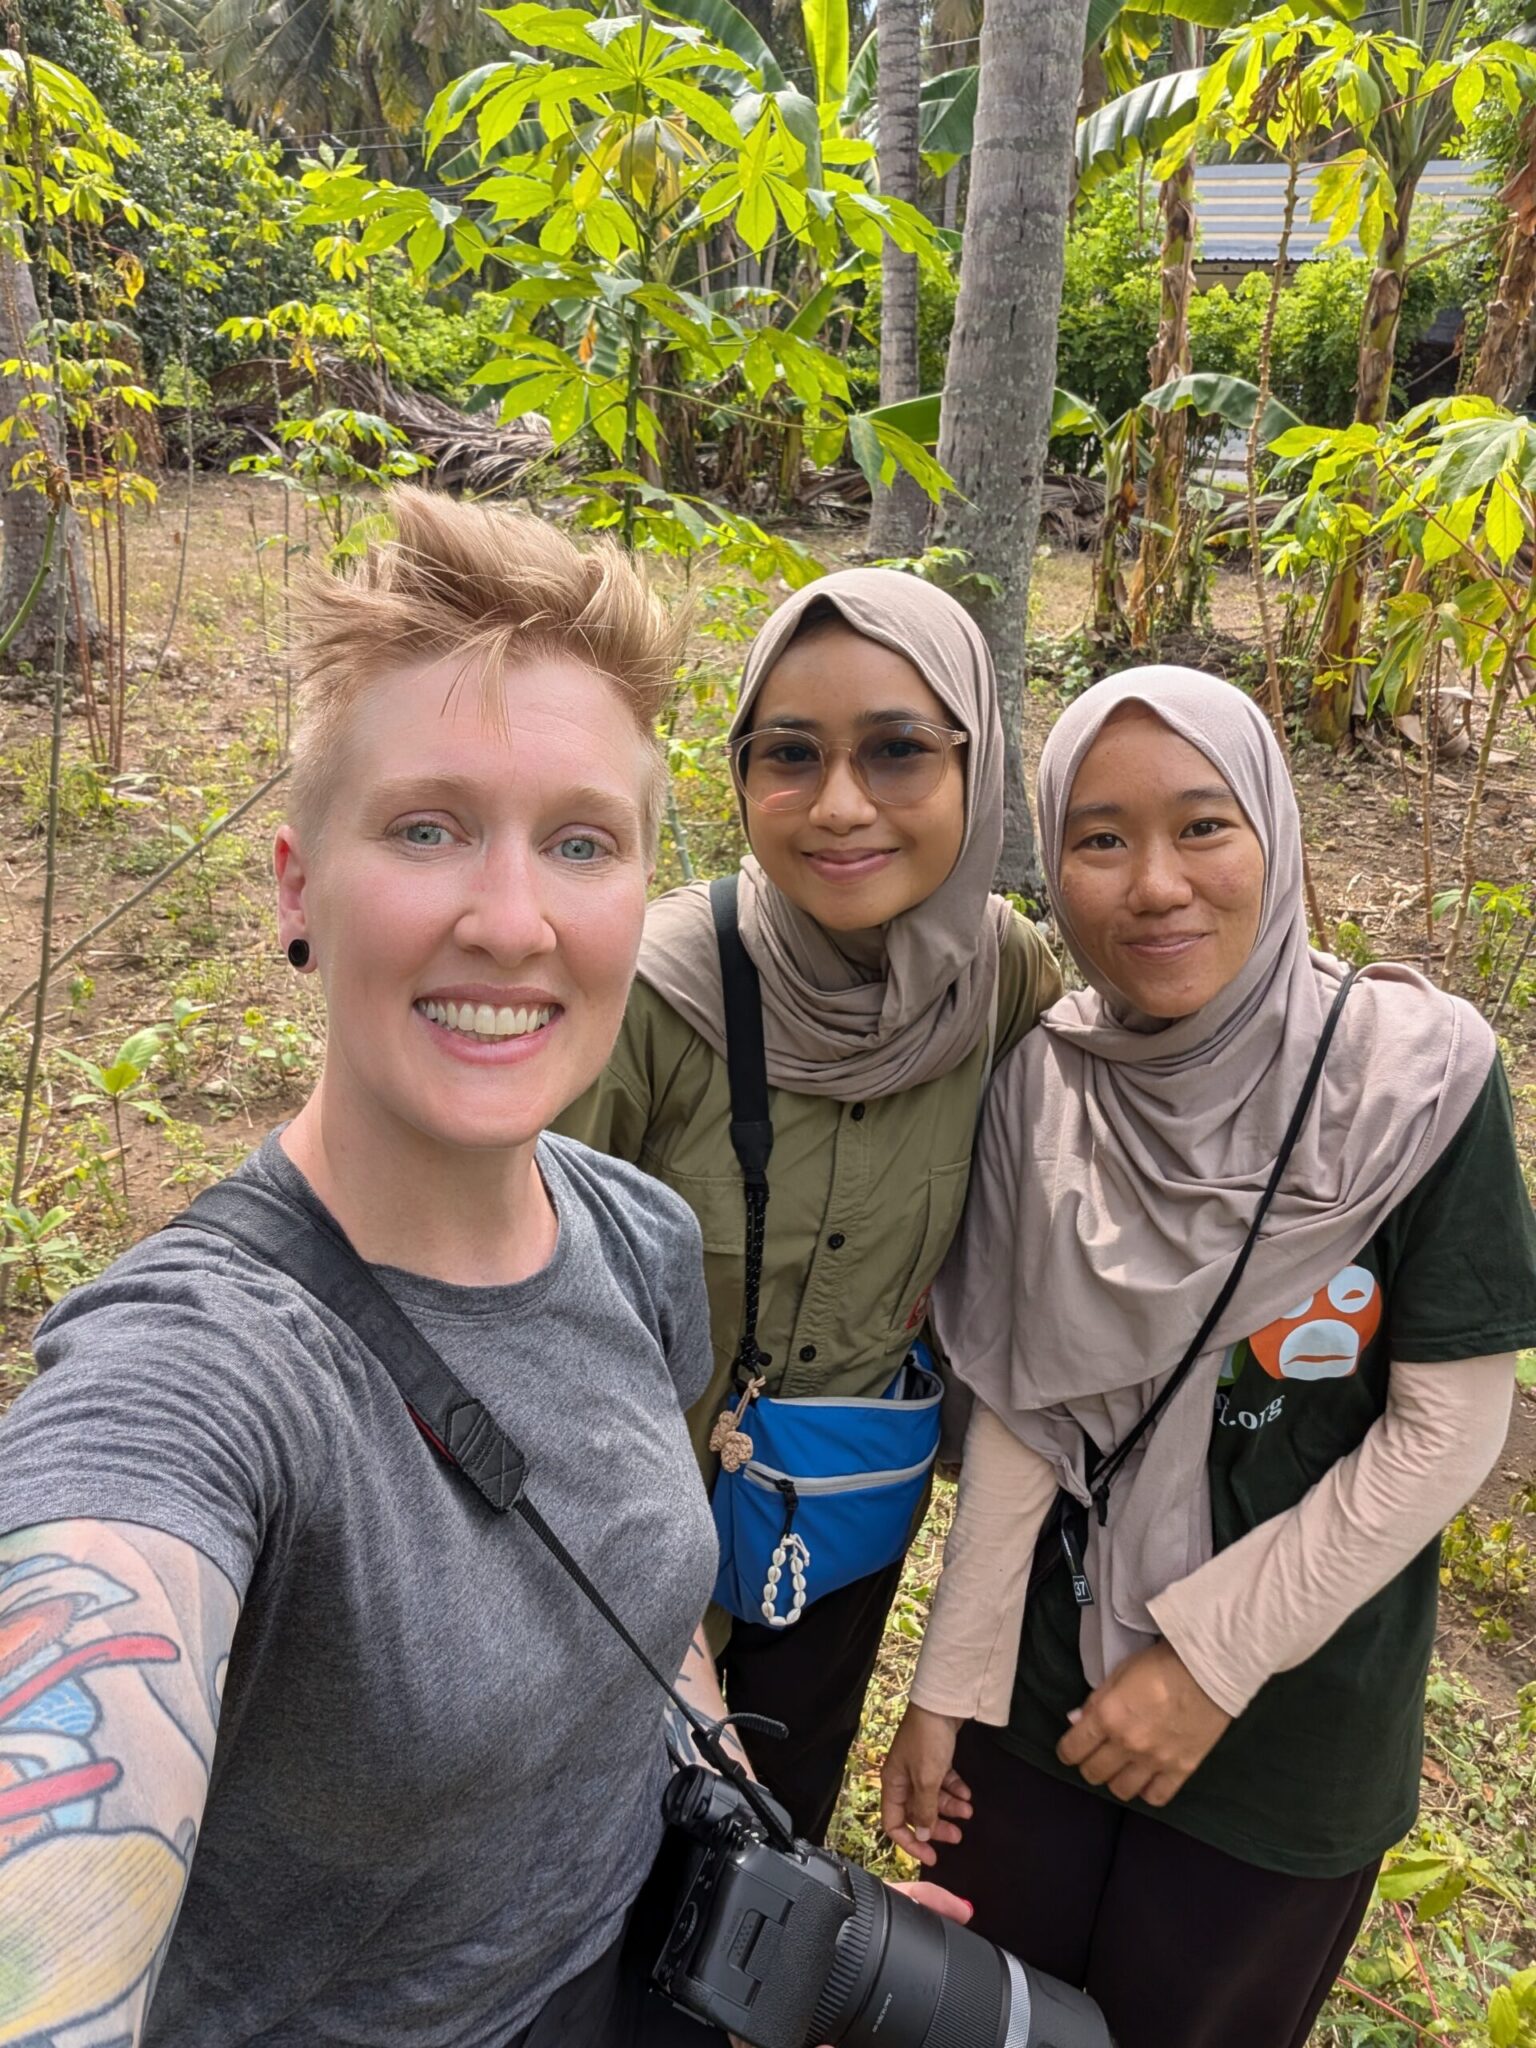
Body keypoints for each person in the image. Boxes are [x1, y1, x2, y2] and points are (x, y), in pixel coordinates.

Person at [0, 487, 747, 2048]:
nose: (511, 918)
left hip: (628, 1977)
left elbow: (640, 1579)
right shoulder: (204, 1371)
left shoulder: (637, 1233)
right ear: (294, 883)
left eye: (582, 844)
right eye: (427, 827)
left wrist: (715, 1778)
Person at [880, 665, 1536, 2048]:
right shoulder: (1048, 1081)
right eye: (1100, 839)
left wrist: (1210, 1664)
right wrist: (952, 1683)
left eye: (1204, 826)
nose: (1155, 886)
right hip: (1042, 1712)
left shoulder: (1420, 1082)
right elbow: (1022, 1403)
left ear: (1275, 836)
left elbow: (1449, 1426)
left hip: (1286, 1738)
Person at [558, 569, 1061, 1844]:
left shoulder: (1001, 983)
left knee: (765, 1855)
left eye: (898, 751)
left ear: (976, 763)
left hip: (838, 1522)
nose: (841, 805)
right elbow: (508, 1301)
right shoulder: (655, 994)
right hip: (610, 1556)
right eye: (791, 754)